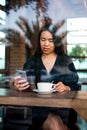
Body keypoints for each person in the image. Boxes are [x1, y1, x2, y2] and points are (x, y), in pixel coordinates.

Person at [13, 23, 80, 130]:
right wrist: (18, 84)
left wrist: (67, 87)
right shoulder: (33, 61)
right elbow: (23, 79)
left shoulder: (65, 60)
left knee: (56, 123)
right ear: (39, 40)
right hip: (41, 110)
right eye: (43, 39)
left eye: (50, 40)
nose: (46, 44)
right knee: (54, 124)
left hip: (63, 109)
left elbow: (76, 85)